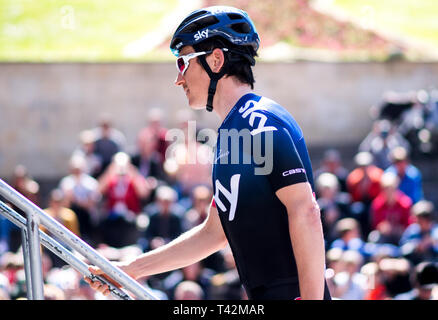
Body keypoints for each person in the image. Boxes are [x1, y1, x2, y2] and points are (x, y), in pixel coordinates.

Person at [86, 6, 331, 300]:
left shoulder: (258, 121)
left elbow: (305, 210)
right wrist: (131, 269)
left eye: (183, 62)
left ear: (216, 59)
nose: (179, 79)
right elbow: (214, 232)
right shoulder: (231, 134)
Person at [400, 200, 438, 264]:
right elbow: (402, 249)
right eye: (419, 217)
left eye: (425, 217)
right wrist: (416, 246)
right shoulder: (412, 230)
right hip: (413, 265)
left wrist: (432, 244)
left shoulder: (435, 231)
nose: (421, 220)